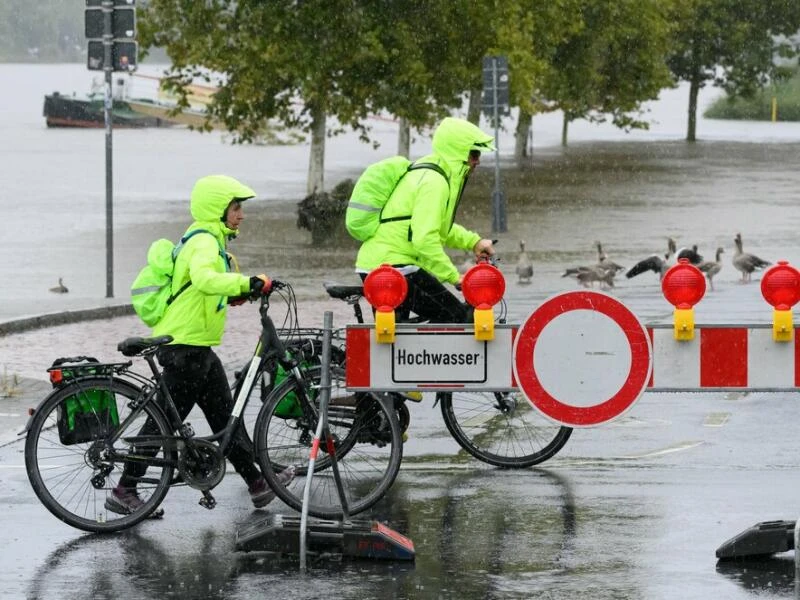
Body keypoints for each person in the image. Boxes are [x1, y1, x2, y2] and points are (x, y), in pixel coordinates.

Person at [107, 174, 293, 516]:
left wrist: (242, 292)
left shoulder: (208, 240)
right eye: (236, 208)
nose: (241, 215)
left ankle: (257, 481)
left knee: (225, 416)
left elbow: (200, 286)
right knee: (159, 423)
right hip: (185, 347)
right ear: (217, 208)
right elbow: (207, 279)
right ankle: (125, 488)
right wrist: (247, 280)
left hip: (198, 347)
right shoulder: (205, 240)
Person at [355, 117, 496, 323]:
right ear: (457, 152)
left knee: (397, 338)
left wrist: (473, 242)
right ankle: (427, 355)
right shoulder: (435, 182)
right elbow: (424, 238)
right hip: (394, 267)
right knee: (457, 319)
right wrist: (454, 277)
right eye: (474, 153)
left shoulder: (430, 172)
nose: (478, 160)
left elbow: (436, 226)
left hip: (385, 265)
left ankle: (415, 353)